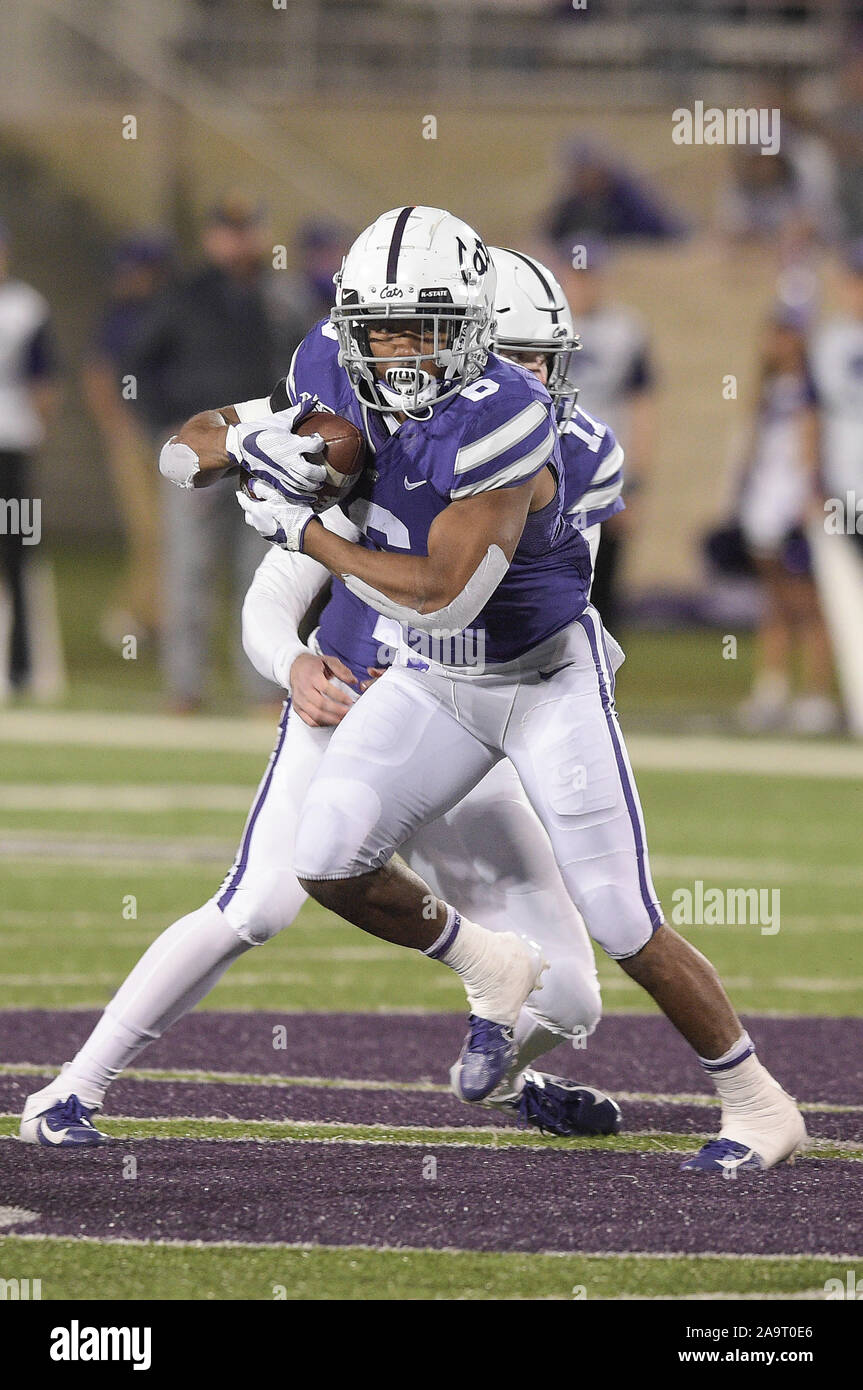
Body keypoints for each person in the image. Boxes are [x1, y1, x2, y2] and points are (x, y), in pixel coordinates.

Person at [160, 206, 805, 1174]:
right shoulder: (329, 366)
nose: (401, 352)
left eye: (424, 328)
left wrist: (305, 531)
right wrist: (241, 451)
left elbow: (440, 593)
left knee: (620, 915)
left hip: (539, 677)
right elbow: (184, 448)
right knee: (325, 858)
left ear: (470, 327)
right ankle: (486, 962)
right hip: (435, 683)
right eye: (383, 328)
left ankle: (758, 1104)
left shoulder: (509, 412)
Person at [19, 244, 625, 1148]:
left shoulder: (563, 465)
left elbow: (535, 626)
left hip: (466, 730)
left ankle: (507, 1080)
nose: (531, 384)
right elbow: (266, 568)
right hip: (351, 716)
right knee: (257, 903)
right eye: (514, 358)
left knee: (573, 996)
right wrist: (291, 662)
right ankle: (71, 1089)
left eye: (543, 362)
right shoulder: (373, 425)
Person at [127, 194, 302, 711]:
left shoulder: (279, 296)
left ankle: (263, 685)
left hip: (264, 452)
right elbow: (135, 366)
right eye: (230, 230)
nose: (239, 241)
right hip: (198, 453)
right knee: (190, 569)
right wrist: (162, 427)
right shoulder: (183, 295)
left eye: (248, 229)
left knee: (263, 568)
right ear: (211, 237)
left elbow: (305, 367)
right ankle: (186, 686)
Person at [736, 306, 838, 735]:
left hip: (798, 504)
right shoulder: (767, 389)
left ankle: (818, 694)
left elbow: (813, 445)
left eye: (788, 334)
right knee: (775, 603)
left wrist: (810, 496)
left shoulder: (813, 389)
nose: (779, 343)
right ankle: (773, 688)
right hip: (765, 506)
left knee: (810, 605)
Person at [553, 237, 656, 626]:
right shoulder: (542, 326)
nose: (583, 284)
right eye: (576, 275)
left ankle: (601, 679)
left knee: (606, 592)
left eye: (590, 275)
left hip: (605, 475)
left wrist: (636, 486)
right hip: (550, 473)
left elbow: (643, 407)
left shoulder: (625, 329)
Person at [82, 234, 174, 647]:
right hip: (135, 433)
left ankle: (151, 612)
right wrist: (117, 425)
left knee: (165, 532)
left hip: (164, 430)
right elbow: (99, 375)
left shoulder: (163, 310)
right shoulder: (122, 317)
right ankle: (136, 612)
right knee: (150, 530)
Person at [0, 218, 60, 697]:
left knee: (17, 556)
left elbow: (45, 382)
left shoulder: (26, 307)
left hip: (13, 445)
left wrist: (41, 426)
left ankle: (20, 669)